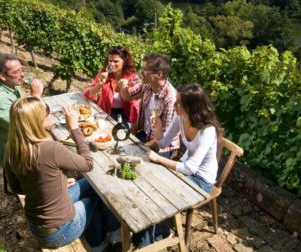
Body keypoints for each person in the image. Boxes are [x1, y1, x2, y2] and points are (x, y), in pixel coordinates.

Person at [134, 83, 243, 248]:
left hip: (202, 180)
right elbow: (163, 143)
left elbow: (191, 168)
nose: (175, 105)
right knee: (151, 183)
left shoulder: (207, 131)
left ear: (191, 107)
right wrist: (158, 126)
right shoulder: (181, 117)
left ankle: (156, 236)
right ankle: (151, 234)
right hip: (185, 169)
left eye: (179, 103)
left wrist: (159, 159)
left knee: (159, 192)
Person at [5, 97, 116, 249]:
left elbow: (17, 188)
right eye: (47, 112)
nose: (51, 115)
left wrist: (57, 184)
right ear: (37, 121)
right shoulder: (50, 148)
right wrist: (75, 129)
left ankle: (104, 234)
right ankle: (100, 243)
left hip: (37, 224)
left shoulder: (11, 148)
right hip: (59, 231)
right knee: (96, 195)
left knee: (89, 185)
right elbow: (88, 164)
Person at [0, 53, 44, 166]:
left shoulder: (12, 85)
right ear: (2, 76)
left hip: (19, 139)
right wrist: (35, 97)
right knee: (54, 155)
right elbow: (25, 125)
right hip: (10, 151)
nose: (22, 74)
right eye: (16, 72)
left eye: (21, 70)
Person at [119, 53, 179, 157]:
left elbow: (164, 138)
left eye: (145, 70)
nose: (141, 72)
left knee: (132, 160)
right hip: (145, 135)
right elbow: (127, 96)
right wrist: (123, 87)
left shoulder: (170, 99)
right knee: (118, 139)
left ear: (159, 75)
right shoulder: (147, 85)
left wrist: (139, 148)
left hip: (163, 146)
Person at [83, 46, 140, 130]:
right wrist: (99, 84)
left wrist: (134, 127)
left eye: (116, 61)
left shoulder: (132, 77)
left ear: (124, 62)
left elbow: (135, 103)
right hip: (105, 112)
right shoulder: (104, 73)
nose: (112, 64)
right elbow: (88, 94)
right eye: (110, 61)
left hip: (125, 115)